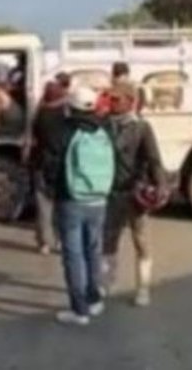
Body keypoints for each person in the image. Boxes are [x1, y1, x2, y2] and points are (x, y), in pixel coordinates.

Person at [51, 86, 114, 326]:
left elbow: (53, 164)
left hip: (72, 200)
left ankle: (79, 311)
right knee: (94, 251)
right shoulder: (103, 129)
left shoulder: (65, 131)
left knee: (74, 256)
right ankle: (95, 300)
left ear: (71, 106)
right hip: (99, 199)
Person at [102, 83, 166, 308]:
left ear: (130, 101)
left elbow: (155, 160)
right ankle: (106, 283)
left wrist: (160, 185)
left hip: (134, 194)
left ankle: (143, 288)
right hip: (111, 193)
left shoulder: (141, 128)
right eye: (111, 99)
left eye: (117, 100)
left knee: (141, 242)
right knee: (108, 242)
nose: (113, 103)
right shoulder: (105, 124)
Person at [26, 80, 70, 254]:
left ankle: (43, 242)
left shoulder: (40, 115)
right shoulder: (64, 116)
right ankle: (60, 240)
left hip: (41, 164)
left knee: (43, 207)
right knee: (61, 207)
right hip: (60, 166)